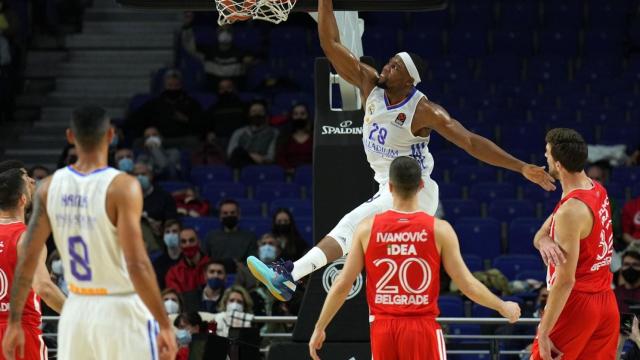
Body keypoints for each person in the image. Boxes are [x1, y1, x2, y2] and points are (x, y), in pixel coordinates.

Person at [247, 0, 555, 302]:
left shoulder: (425, 111)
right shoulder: (370, 83)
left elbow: (471, 142)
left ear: (408, 80)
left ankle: (289, 275)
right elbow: (331, 44)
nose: (386, 66)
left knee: (349, 227)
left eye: (395, 66)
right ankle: (301, 280)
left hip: (415, 188)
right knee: (359, 239)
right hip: (388, 183)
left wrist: (520, 167)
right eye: (389, 61)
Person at [2, 105, 177, 359]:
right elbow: (137, 263)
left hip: (77, 310)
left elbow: (28, 262)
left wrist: (15, 322)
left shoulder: (48, 188)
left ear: (70, 137)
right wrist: (163, 322)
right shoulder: (122, 187)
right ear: (110, 135)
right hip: (118, 305)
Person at [307, 157, 521, 360]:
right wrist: (502, 306)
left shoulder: (366, 228)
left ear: (389, 187)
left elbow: (343, 283)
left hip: (383, 330)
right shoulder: (440, 229)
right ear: (421, 185)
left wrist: (319, 327)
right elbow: (467, 284)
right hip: (421, 328)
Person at [531, 128, 619, 360]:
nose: (545, 158)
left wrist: (544, 331)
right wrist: (544, 240)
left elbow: (565, 279)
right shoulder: (595, 189)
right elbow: (542, 232)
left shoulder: (570, 210)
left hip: (577, 303)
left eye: (548, 154)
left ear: (558, 164)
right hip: (606, 302)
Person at [0, 168, 66, 360]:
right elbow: (44, 288)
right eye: (29, 182)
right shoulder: (26, 238)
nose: (34, 183)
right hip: (20, 332)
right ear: (22, 200)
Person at [127, 69, 203, 139]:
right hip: (160, 139)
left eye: (176, 85)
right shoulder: (155, 103)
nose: (173, 89)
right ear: (164, 86)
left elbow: (201, 125)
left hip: (183, 139)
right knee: (140, 142)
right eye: (170, 85)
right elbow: (136, 119)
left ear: (181, 86)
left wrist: (187, 120)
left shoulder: (191, 103)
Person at [204, 199, 256, 272]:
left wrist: (241, 266)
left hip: (241, 275)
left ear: (238, 215)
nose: (229, 215)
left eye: (232, 213)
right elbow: (205, 260)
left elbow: (253, 261)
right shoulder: (211, 237)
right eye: (225, 213)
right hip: (216, 274)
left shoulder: (249, 237)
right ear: (220, 216)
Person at [227, 100, 279, 168]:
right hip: (240, 167)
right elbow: (231, 154)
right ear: (249, 114)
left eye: (261, 111)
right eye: (254, 111)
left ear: (266, 114)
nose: (257, 114)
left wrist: (248, 155)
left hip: (263, 167)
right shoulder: (239, 132)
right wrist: (251, 155)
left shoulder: (274, 132)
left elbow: (270, 157)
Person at [165, 228, 210, 293]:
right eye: (183, 242)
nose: (188, 244)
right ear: (179, 245)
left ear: (199, 242)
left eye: (191, 240)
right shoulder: (173, 274)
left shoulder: (212, 267)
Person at [276, 104, 313, 172]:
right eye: (296, 114)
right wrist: (288, 169)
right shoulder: (284, 138)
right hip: (289, 175)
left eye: (302, 114)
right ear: (291, 116)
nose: (299, 116)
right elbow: (280, 157)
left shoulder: (315, 138)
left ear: (308, 116)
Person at [153, 219, 183, 289]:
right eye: (167, 232)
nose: (170, 235)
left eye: (174, 231)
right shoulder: (158, 263)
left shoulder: (188, 260)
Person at [614, 243, 640, 314]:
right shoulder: (614, 294)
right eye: (627, 264)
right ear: (621, 269)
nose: (630, 268)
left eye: (635, 265)